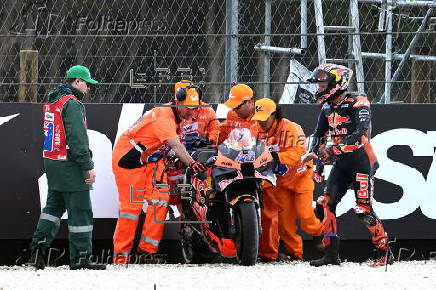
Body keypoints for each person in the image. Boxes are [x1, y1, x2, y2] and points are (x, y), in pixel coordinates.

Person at [306, 63, 392, 267]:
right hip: (342, 163)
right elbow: (319, 135)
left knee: (363, 210)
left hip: (362, 161)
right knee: (325, 204)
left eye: (322, 83)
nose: (319, 88)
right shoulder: (327, 107)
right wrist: (316, 161)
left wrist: (332, 150)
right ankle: (331, 255)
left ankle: (384, 252)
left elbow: (361, 135)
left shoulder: (358, 102)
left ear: (337, 83)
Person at [112, 84, 207, 264]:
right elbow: (175, 145)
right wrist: (192, 163)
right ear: (178, 102)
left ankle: (147, 253)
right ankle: (121, 258)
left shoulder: (175, 115)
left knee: (161, 201)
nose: (192, 113)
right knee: (131, 209)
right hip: (129, 158)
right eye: (188, 108)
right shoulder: (164, 118)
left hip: (152, 160)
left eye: (195, 108)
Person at [27, 65, 106, 270]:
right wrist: (88, 166)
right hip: (69, 165)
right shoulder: (72, 104)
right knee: (80, 211)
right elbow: (77, 139)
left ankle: (37, 252)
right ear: (77, 81)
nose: (88, 88)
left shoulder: (53, 101)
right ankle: (81, 259)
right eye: (87, 84)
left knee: (52, 209)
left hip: (52, 163)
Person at [251, 98, 323, 262]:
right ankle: (296, 255)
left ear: (274, 115)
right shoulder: (256, 130)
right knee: (285, 224)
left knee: (305, 216)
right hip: (280, 181)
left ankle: (319, 233)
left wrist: (275, 156)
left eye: (265, 118)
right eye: (258, 118)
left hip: (300, 176)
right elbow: (249, 149)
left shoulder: (290, 127)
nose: (261, 122)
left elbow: (298, 153)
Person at [177, 80, 220, 147]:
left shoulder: (207, 111)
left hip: (201, 150)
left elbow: (215, 130)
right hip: (180, 150)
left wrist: (209, 142)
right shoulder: (171, 113)